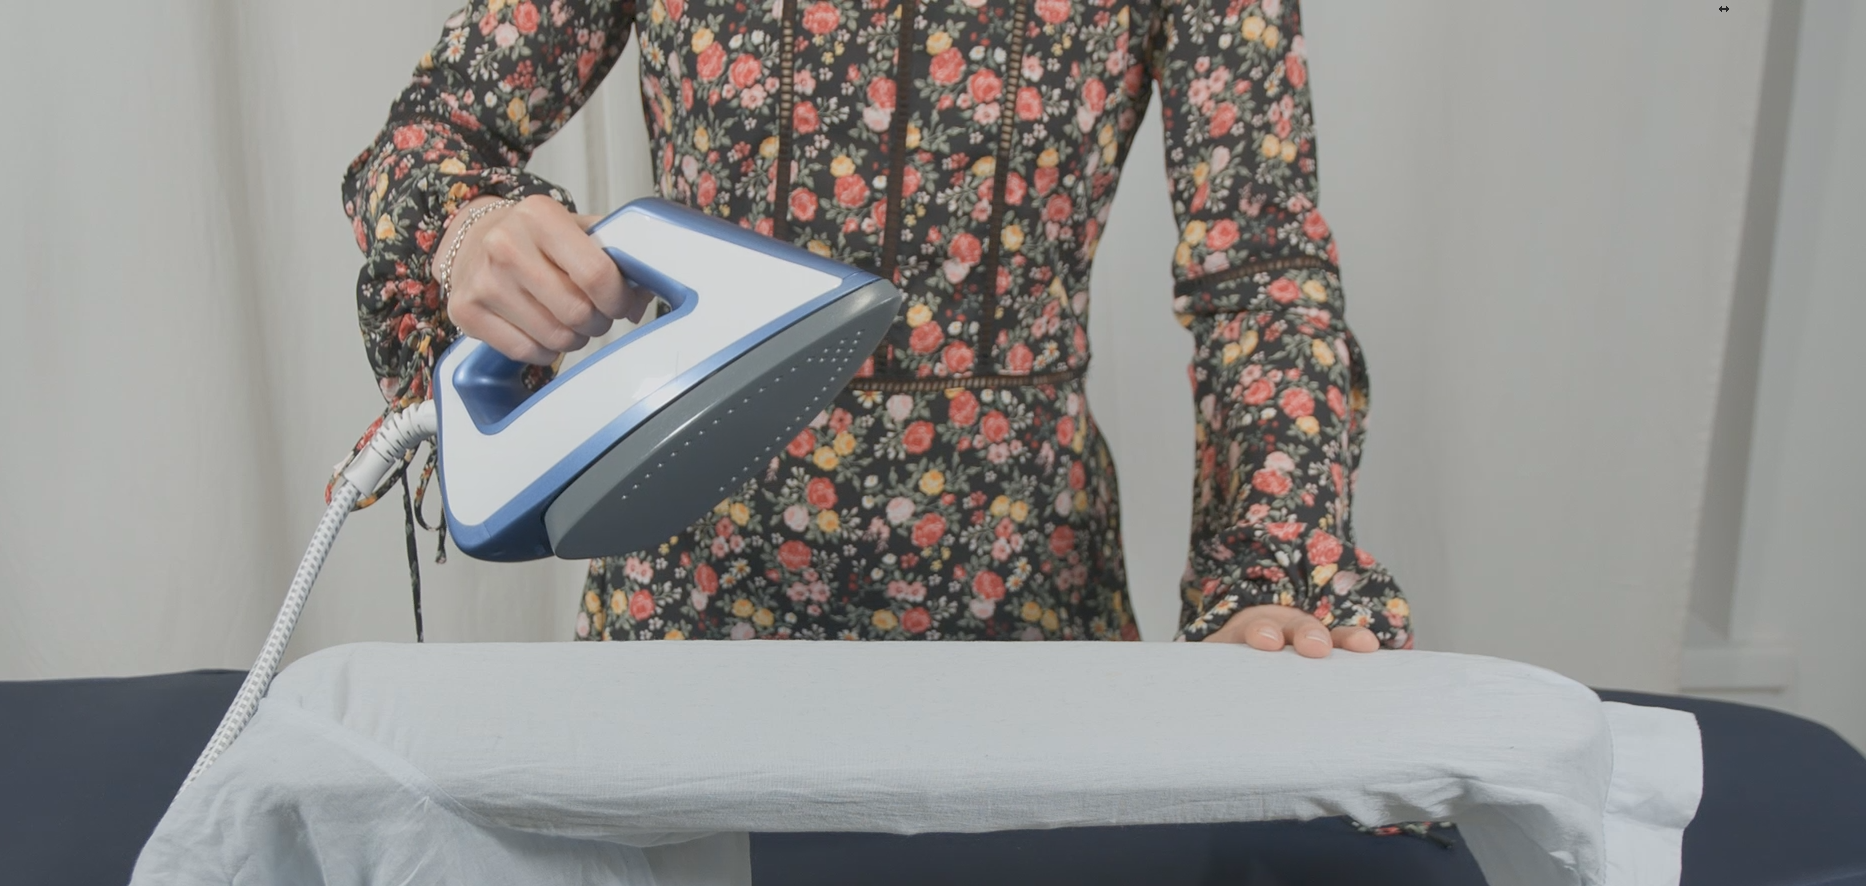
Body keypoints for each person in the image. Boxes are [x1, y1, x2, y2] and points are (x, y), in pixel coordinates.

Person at [343, 0, 1412, 654]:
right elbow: (424, 140)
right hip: (689, 610)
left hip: (1027, 617)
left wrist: (1270, 566)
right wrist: (471, 228)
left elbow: (1259, 270)